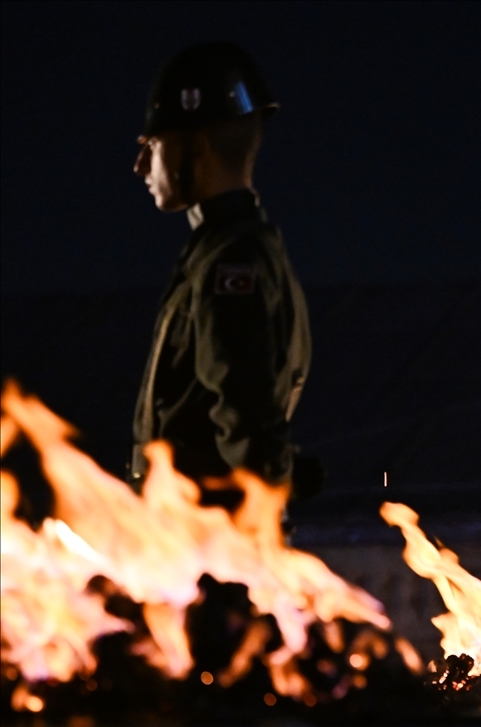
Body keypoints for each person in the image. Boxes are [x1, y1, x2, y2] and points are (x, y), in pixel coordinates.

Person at [129, 42, 312, 503]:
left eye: (152, 144)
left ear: (199, 147)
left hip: (206, 549)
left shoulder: (231, 261)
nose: (140, 166)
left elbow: (245, 408)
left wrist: (262, 511)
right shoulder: (238, 249)